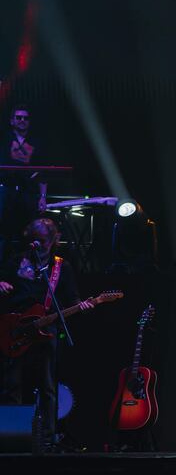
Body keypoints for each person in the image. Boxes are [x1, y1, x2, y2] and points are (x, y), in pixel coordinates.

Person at [0, 218, 93, 452]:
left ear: (53, 240)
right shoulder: (15, 261)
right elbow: (2, 280)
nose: (36, 245)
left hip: (46, 329)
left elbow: (72, 299)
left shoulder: (61, 267)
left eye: (41, 241)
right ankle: (11, 438)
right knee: (12, 383)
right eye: (32, 240)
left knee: (47, 385)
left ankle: (49, 439)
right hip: (16, 326)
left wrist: (82, 306)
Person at [0, 105, 47, 260]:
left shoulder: (37, 143)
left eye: (25, 118)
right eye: (19, 117)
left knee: (27, 233)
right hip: (6, 191)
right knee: (4, 232)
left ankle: (26, 270)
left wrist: (42, 197)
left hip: (28, 193)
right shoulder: (4, 140)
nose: (22, 121)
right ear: (12, 121)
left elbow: (42, 172)